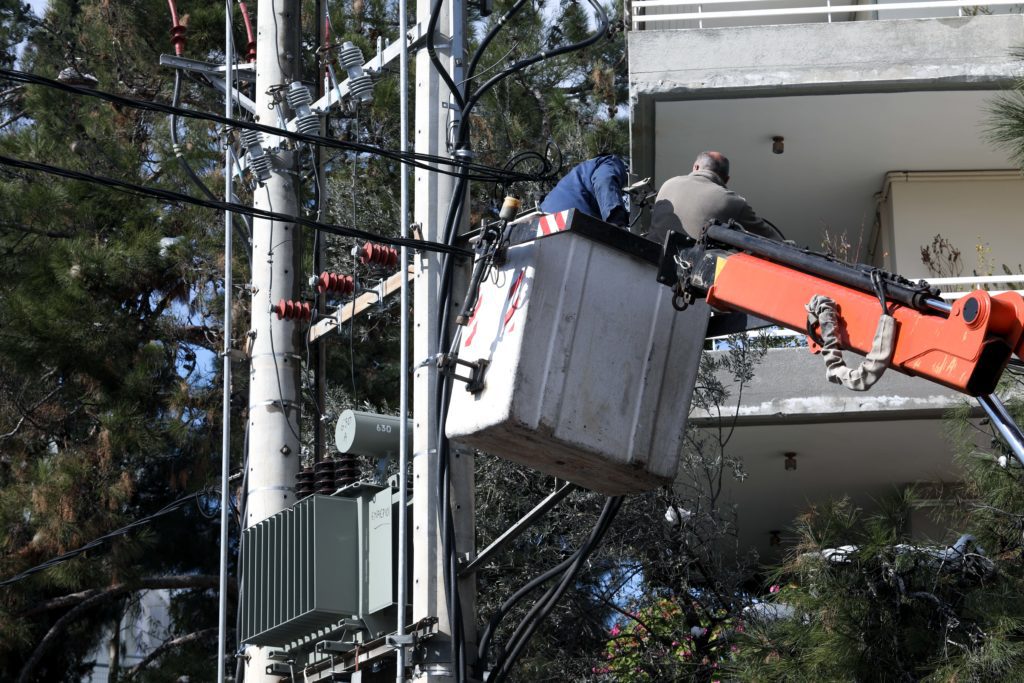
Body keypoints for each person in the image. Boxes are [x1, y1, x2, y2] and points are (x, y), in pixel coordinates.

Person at [648, 150, 783, 244]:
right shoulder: (732, 202)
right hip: (690, 278)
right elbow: (774, 241)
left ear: (695, 167)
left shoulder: (668, 184)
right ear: (727, 179)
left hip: (649, 263)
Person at [540, 154, 630, 228]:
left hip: (542, 226)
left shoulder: (573, 178)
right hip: (572, 223)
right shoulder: (609, 161)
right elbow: (604, 179)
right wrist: (617, 221)